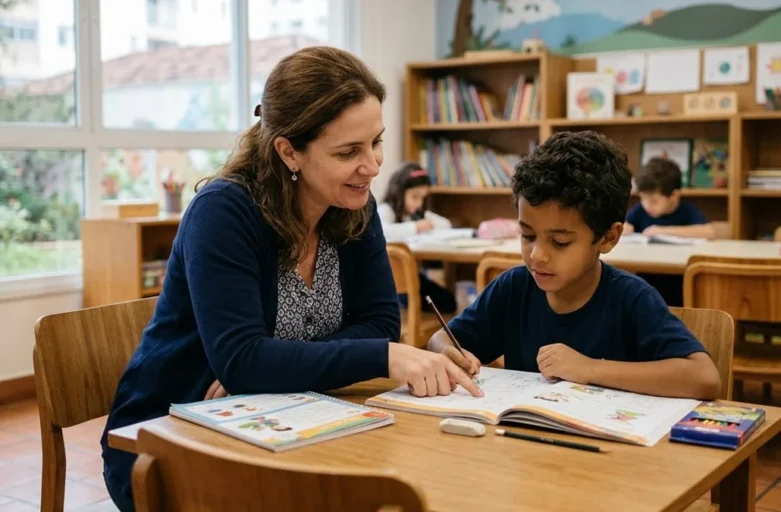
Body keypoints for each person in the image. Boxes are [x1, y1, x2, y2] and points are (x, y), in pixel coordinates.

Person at [100, 46, 481, 512]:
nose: (373, 166)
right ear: (288, 152)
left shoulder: (352, 205)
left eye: (376, 142)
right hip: (170, 439)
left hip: (287, 418)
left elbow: (380, 322)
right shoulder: (223, 212)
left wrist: (274, 371)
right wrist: (374, 357)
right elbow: (244, 359)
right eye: (349, 151)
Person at [427, 131, 721, 401]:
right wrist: (449, 353)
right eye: (527, 236)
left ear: (608, 237)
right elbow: (440, 339)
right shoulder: (513, 288)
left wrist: (589, 369)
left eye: (560, 242)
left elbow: (704, 378)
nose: (537, 255)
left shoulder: (631, 299)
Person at [378, 162, 457, 313]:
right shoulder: (386, 210)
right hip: (389, 282)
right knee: (444, 303)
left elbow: (445, 224)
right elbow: (383, 230)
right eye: (415, 197)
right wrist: (416, 227)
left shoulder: (415, 214)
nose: (419, 203)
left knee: (448, 302)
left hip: (410, 277)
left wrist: (425, 223)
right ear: (398, 193)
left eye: (422, 198)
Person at [624, 157, 715, 239]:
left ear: (674, 196)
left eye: (654, 201)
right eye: (642, 198)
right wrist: (625, 229)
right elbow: (623, 225)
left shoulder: (686, 210)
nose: (647, 205)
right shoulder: (640, 210)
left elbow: (709, 232)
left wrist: (663, 231)